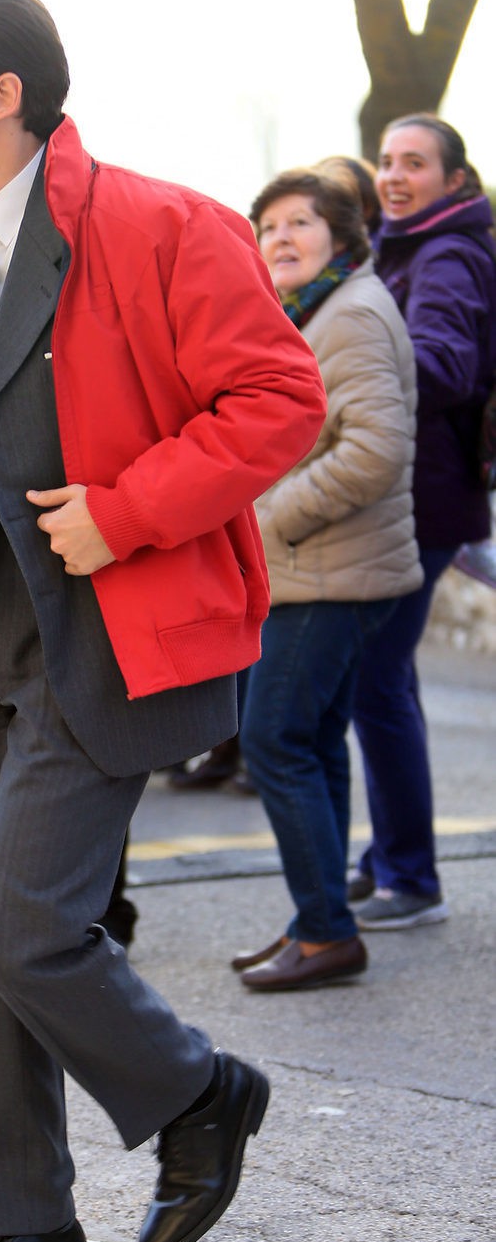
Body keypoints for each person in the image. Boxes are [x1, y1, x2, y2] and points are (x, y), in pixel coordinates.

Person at [0, 0, 326, 1242]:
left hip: (92, 638)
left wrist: (129, 509)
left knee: (21, 927)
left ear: (2, 96)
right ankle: (28, 1229)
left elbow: (280, 401)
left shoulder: (169, 225)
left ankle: (198, 1091)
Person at [234, 169, 422, 993]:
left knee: (273, 739)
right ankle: (320, 913)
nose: (280, 237)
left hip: (328, 572)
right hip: (332, 571)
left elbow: (376, 449)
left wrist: (274, 516)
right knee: (312, 741)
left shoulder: (349, 317)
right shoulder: (323, 309)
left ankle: (325, 932)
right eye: (268, 224)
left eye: (299, 222)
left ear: (339, 234)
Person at [350, 115, 496, 930]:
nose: (396, 175)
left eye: (415, 163)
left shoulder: (445, 253)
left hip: (428, 501)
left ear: (453, 178)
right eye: (388, 161)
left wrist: (352, 373)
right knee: (382, 681)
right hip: (416, 495)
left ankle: (409, 875)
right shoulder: (406, 243)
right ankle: (390, 862)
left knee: (377, 681)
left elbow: (443, 365)